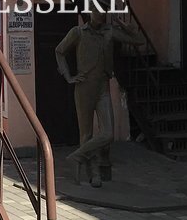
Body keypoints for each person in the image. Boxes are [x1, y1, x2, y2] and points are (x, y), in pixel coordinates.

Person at [55, 10, 145, 187]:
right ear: (90, 11)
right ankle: (93, 174)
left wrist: (128, 28)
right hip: (84, 87)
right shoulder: (78, 32)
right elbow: (59, 51)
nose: (101, 14)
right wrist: (68, 76)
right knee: (86, 134)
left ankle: (76, 156)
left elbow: (139, 41)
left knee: (108, 133)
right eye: (97, 10)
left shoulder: (109, 31)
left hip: (103, 87)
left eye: (104, 10)